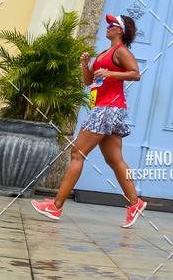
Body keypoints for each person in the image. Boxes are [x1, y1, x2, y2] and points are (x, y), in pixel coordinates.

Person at [31, 13, 146, 228]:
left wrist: (110, 73)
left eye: (111, 25)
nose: (107, 27)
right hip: (107, 108)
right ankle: (135, 203)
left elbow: (135, 74)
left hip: (108, 109)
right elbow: (88, 81)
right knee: (114, 160)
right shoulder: (104, 53)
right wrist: (85, 64)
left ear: (119, 30)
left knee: (77, 153)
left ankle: (56, 206)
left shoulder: (121, 51)